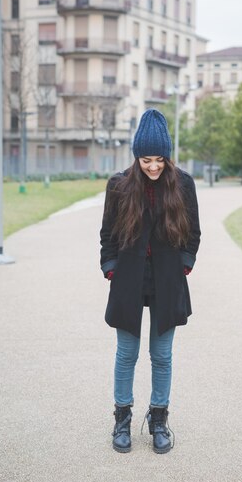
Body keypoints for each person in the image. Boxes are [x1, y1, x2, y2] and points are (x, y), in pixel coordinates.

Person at [100, 108, 201, 454]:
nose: (154, 167)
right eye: (147, 160)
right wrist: (111, 268)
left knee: (162, 355)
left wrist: (183, 267)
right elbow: (107, 235)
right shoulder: (119, 185)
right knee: (126, 354)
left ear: (168, 156)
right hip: (128, 281)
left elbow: (194, 235)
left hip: (167, 282)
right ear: (136, 156)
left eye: (160, 159)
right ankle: (122, 419)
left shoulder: (183, 184)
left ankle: (159, 419)